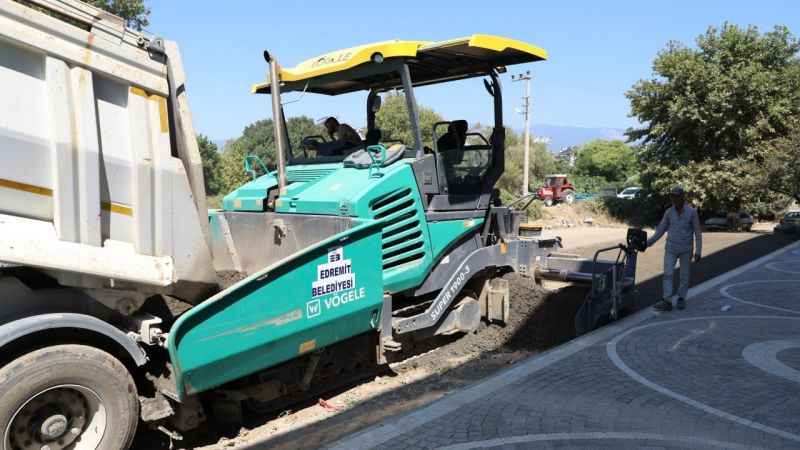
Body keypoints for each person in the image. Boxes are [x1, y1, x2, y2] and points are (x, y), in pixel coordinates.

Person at [647, 186, 702, 311]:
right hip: (671, 248)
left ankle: (681, 298)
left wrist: (698, 251)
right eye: (672, 197)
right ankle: (667, 301)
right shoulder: (669, 212)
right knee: (668, 273)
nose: (674, 199)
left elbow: (697, 232)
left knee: (684, 275)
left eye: (676, 196)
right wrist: (647, 243)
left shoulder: (691, 212)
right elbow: (660, 230)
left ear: (682, 197)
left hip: (686, 249)